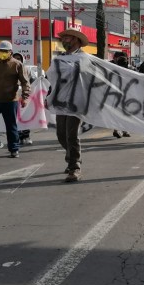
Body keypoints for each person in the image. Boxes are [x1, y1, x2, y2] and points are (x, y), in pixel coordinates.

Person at [52, 28, 88, 182]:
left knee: (71, 135)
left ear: (76, 40)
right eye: (64, 38)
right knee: (61, 134)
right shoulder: (60, 58)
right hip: (61, 101)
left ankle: (74, 167)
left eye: (68, 38)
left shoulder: (85, 58)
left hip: (76, 102)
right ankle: (72, 156)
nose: (65, 40)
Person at [12, 52, 37, 146]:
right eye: (15, 58)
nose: (17, 60)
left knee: (25, 117)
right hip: (12, 97)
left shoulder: (27, 70)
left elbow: (33, 81)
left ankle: (26, 136)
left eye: (19, 58)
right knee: (15, 118)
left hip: (25, 97)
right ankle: (17, 137)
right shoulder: (9, 69)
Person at [110, 51, 132, 139]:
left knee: (125, 112)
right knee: (116, 111)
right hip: (113, 92)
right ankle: (117, 129)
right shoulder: (109, 66)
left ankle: (124, 129)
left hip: (126, 92)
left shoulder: (128, 67)